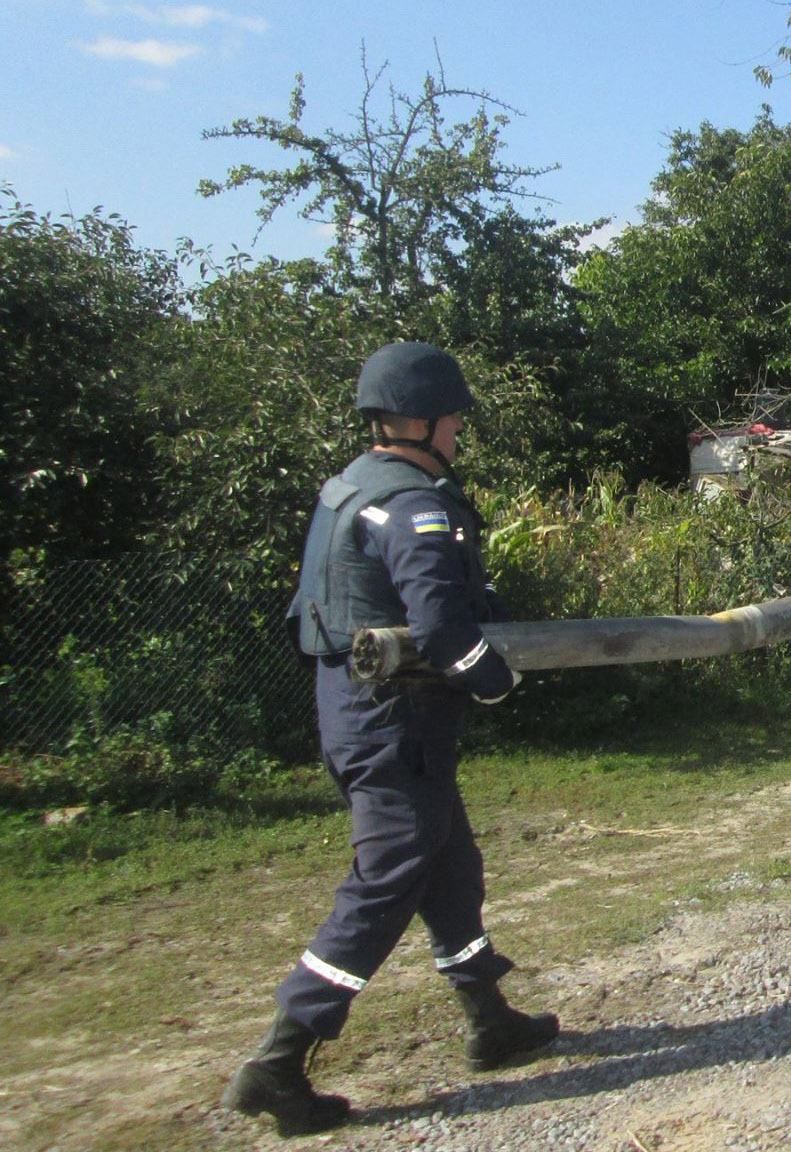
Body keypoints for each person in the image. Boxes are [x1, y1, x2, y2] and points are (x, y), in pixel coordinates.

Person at [222, 342, 558, 1136]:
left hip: (358, 708)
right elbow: (440, 620)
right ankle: (279, 1060)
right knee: (386, 882)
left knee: (447, 861)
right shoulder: (412, 502)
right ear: (427, 421)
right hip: (394, 717)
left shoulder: (351, 488)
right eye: (454, 421)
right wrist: (495, 677)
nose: (458, 435)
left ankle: (489, 1019)